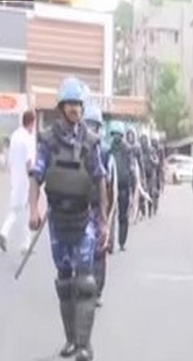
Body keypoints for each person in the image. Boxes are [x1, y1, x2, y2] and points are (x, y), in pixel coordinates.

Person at [28, 76, 109, 361]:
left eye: (78, 104)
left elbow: (100, 180)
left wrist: (103, 220)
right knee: (64, 282)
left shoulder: (91, 142)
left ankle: (85, 346)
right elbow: (36, 176)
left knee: (85, 283)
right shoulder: (48, 140)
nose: (75, 109)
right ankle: (71, 339)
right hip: (57, 222)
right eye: (70, 104)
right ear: (61, 107)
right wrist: (32, 210)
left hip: (83, 219)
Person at [0, 110, 37, 254]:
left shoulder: (15, 135)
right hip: (25, 180)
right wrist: (34, 178)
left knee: (20, 210)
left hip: (15, 177)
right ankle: (7, 234)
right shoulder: (27, 138)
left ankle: (24, 243)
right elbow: (29, 162)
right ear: (32, 122)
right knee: (22, 210)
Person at [82, 104, 111, 306]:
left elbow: (109, 183)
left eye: (95, 126)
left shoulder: (105, 152)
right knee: (81, 250)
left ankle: (96, 291)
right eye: (89, 125)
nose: (92, 129)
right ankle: (83, 288)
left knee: (99, 250)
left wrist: (106, 215)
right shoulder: (75, 147)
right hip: (78, 208)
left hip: (97, 207)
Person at [108, 120, 138, 252]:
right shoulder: (108, 149)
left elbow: (132, 168)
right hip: (110, 187)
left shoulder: (127, 149)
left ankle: (121, 242)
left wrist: (133, 187)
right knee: (110, 214)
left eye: (118, 134)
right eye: (114, 134)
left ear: (121, 135)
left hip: (124, 187)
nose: (116, 137)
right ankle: (109, 242)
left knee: (122, 216)